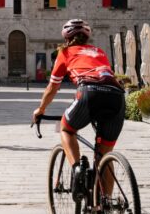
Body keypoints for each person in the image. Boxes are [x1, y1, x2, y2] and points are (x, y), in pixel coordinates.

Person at [32, 19, 125, 194]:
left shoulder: (65, 52)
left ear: (66, 38)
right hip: (117, 96)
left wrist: (41, 109)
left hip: (90, 92)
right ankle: (106, 202)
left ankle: (77, 171)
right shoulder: (99, 51)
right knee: (104, 155)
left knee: (66, 129)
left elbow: (53, 87)